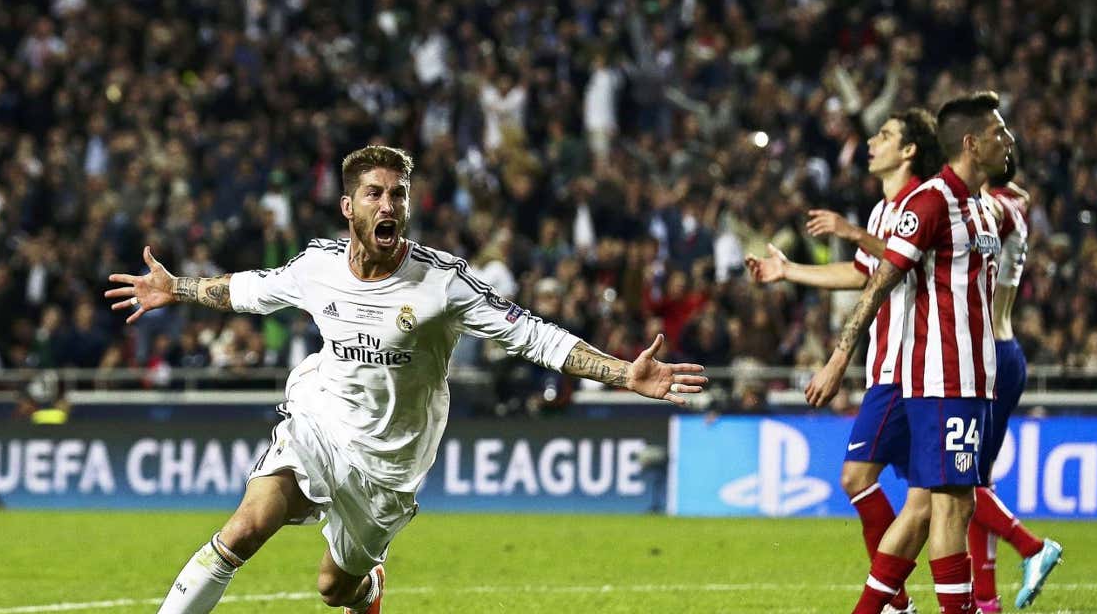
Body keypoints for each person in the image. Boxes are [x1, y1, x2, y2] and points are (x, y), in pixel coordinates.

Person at [105, 145, 707, 614]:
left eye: (398, 194)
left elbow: (535, 336)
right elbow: (248, 291)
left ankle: (366, 589)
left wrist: (621, 372)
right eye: (374, 194)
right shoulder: (317, 266)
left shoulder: (443, 284)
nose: (388, 205)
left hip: (389, 463)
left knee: (333, 588)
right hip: (320, 423)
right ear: (349, 207)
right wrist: (176, 288)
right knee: (243, 529)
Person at [805, 91, 1012, 614]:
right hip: (943, 378)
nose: (1007, 140)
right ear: (970, 143)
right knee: (948, 508)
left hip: (972, 380)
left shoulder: (983, 207)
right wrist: (839, 357)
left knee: (928, 507)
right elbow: (877, 283)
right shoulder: (931, 203)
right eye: (998, 132)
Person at [746, 108, 943, 614]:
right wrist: (789, 271)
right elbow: (862, 274)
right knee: (937, 493)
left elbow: (907, 261)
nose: (872, 143)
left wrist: (854, 233)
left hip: (911, 366)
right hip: (889, 366)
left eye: (884, 135)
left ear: (909, 151)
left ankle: (897, 603)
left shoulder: (925, 202)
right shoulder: (881, 212)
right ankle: (929, 598)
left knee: (870, 480)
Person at [971, 152, 1062, 612]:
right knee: (973, 482)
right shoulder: (1011, 204)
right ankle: (986, 601)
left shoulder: (995, 208)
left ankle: (1030, 546)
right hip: (1001, 351)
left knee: (957, 481)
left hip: (987, 356)